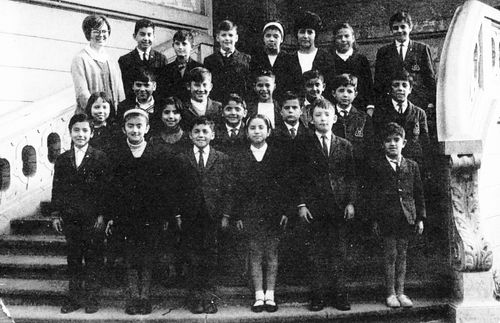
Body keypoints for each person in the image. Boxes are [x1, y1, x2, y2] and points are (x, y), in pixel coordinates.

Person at [106, 109, 174, 315]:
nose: (135, 130)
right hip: (125, 217)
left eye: (139, 126)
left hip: (150, 216)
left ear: (147, 128)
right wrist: (111, 216)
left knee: (147, 257)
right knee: (130, 258)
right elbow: (111, 188)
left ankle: (145, 296)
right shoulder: (116, 155)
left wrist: (164, 215)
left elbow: (164, 188)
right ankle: (132, 296)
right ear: (123, 128)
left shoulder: (157, 153)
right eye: (130, 126)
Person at [295, 98, 356, 312]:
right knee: (317, 253)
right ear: (311, 119)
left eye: (326, 115)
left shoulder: (345, 145)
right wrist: (302, 204)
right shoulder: (303, 144)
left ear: (335, 118)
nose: (323, 119)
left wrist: (350, 202)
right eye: (318, 115)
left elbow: (351, 177)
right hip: (315, 207)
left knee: (339, 252)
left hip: (338, 207)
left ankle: (339, 295)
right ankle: (318, 296)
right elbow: (299, 177)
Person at [229, 114, 289, 313]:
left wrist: (284, 211)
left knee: (271, 253)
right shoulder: (240, 156)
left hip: (272, 212)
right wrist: (237, 215)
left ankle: (270, 295)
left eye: (261, 127)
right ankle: (258, 295)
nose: (257, 131)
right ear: (246, 132)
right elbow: (235, 189)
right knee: (254, 253)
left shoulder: (278, 155)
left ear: (269, 131)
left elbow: (284, 187)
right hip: (250, 213)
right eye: (252, 128)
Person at [51, 114, 110, 314]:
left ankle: (93, 298)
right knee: (74, 258)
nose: (81, 134)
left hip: (93, 218)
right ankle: (74, 298)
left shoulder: (100, 157)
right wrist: (56, 213)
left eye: (85, 130)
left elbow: (106, 189)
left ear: (92, 133)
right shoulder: (62, 159)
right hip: (71, 217)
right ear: (70, 132)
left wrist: (103, 215)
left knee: (93, 257)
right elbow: (57, 188)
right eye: (76, 130)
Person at [175, 116, 232, 314]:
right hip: (190, 215)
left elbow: (227, 189)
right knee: (192, 256)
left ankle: (209, 297)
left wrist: (225, 215)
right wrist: (177, 215)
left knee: (210, 256)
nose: (201, 135)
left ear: (213, 135)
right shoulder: (182, 158)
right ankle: (195, 297)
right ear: (190, 135)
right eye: (197, 132)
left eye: (205, 131)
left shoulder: (221, 158)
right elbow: (176, 190)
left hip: (212, 214)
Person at [368, 122, 425, 308]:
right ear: (382, 144)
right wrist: (375, 219)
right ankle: (390, 293)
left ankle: (401, 291)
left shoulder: (412, 166)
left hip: (406, 217)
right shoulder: (377, 166)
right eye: (388, 141)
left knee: (403, 254)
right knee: (390, 255)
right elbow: (373, 195)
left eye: (396, 140)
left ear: (404, 142)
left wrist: (420, 218)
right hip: (387, 219)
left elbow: (418, 193)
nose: (392, 144)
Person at [373, 11, 436, 115]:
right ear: (391, 30)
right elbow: (379, 81)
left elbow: (430, 79)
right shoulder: (384, 52)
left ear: (410, 28)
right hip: (391, 105)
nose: (399, 30)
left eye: (403, 27)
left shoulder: (422, 49)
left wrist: (431, 102)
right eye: (395, 28)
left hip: (418, 103)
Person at [372, 69, 430, 172]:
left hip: (412, 167)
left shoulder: (419, 113)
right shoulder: (381, 112)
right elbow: (376, 142)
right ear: (390, 88)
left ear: (410, 89)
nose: (400, 89)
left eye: (404, 85)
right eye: (396, 85)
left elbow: (424, 144)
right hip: (387, 167)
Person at [71, 14, 125, 114]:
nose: (101, 35)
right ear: (88, 33)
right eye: (96, 31)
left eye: (104, 31)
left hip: (112, 116)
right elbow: (82, 93)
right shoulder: (80, 59)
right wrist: (97, 113)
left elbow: (119, 91)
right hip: (90, 117)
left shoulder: (111, 59)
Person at [330, 74, 375, 188]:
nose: (345, 95)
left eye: (349, 91)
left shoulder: (364, 118)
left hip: (357, 173)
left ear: (355, 94)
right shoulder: (328, 116)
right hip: (334, 172)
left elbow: (369, 149)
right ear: (333, 93)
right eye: (341, 91)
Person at [287, 11, 335, 97]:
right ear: (296, 34)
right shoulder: (289, 59)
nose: (305, 36)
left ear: (315, 35)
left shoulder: (326, 57)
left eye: (310, 32)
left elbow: (330, 86)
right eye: (302, 32)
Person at [331, 23, 375, 115]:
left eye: (347, 36)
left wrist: (369, 107)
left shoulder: (361, 59)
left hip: (359, 107)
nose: (343, 40)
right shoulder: (329, 59)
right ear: (335, 39)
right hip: (334, 108)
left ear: (353, 38)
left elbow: (368, 85)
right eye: (339, 37)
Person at [118, 18, 168, 101]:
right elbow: (125, 87)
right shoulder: (125, 60)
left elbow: (163, 87)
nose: (146, 38)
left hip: (155, 107)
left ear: (154, 37)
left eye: (149, 35)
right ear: (135, 36)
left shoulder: (161, 59)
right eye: (142, 34)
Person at [204, 20, 251, 102]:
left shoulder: (246, 59)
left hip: (238, 107)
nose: (227, 38)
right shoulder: (209, 60)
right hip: (217, 105)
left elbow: (248, 87)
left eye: (230, 35)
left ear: (236, 38)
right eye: (223, 35)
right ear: (217, 38)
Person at [249, 21, 291, 100]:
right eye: (268, 36)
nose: (271, 39)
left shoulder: (288, 59)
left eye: (276, 36)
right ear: (263, 38)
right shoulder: (256, 59)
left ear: (281, 39)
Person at [116, 68, 162, 135]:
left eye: (146, 85)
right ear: (133, 86)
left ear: (154, 86)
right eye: (138, 85)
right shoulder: (123, 106)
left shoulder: (161, 106)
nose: (142, 89)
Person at [165, 30, 203, 102]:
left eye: (184, 44)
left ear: (191, 46)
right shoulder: (166, 70)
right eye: (177, 44)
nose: (180, 47)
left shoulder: (200, 68)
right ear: (173, 46)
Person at [212, 93, 248, 157]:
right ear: (222, 112)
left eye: (237, 109)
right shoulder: (215, 130)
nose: (233, 113)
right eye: (228, 109)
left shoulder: (248, 130)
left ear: (245, 113)